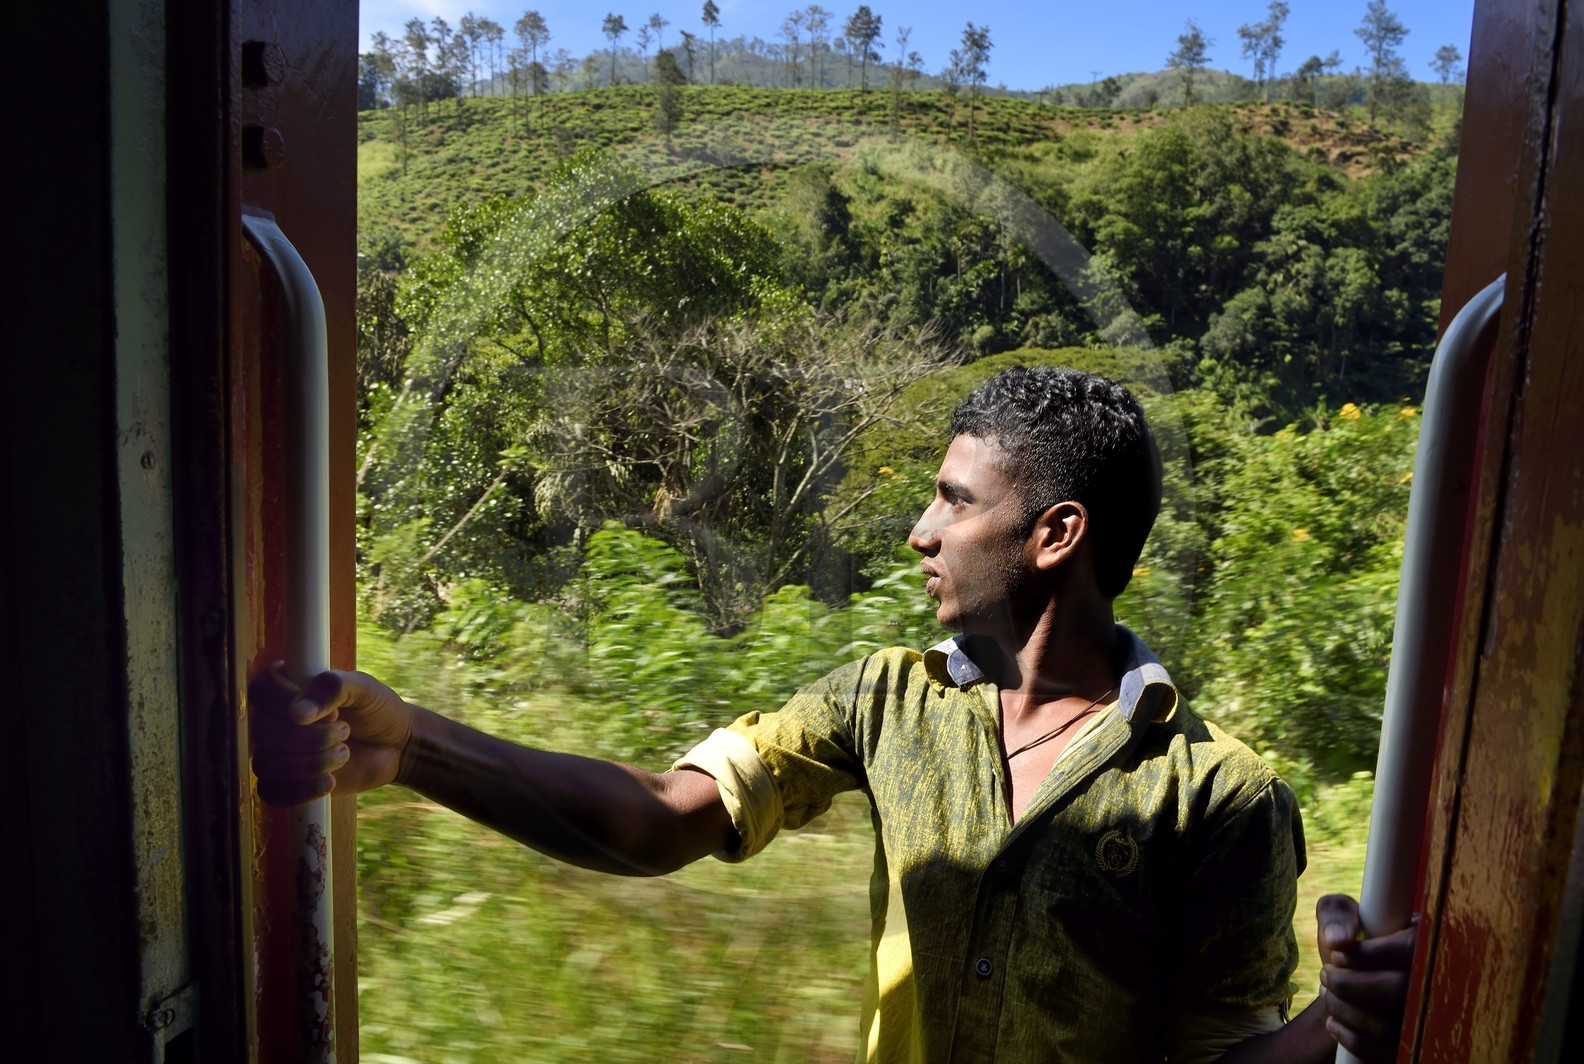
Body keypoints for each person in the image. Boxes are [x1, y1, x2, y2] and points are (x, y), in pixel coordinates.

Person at [254, 366, 1415, 1062]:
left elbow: (1223, 1059)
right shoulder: (886, 698)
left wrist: (1344, 1022)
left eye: (954, 501)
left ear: (1055, 534)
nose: (919, 530)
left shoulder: (1218, 793)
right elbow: (663, 817)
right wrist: (412, 744)